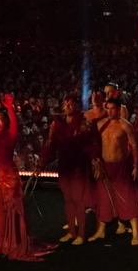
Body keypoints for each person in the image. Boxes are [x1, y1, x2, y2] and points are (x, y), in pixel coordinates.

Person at [0, 94, 53, 260]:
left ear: (6, 121)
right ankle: (0, 244)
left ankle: (17, 241)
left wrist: (9, 108)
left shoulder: (10, 135)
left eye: (0, 119)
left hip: (9, 177)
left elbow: (14, 124)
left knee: (14, 210)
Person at [38, 94, 99, 245]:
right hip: (64, 165)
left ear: (77, 106)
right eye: (65, 105)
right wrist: (42, 162)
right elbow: (50, 144)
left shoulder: (84, 123)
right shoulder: (57, 123)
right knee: (68, 200)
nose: (67, 107)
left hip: (78, 166)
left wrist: (95, 162)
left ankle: (81, 234)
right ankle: (71, 231)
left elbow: (91, 144)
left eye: (70, 105)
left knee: (78, 200)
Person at [89, 98, 138, 244]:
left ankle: (136, 235)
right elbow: (93, 145)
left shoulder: (125, 125)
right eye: (108, 108)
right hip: (104, 167)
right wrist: (96, 161)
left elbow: (135, 146)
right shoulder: (100, 124)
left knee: (127, 197)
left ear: (118, 109)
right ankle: (101, 231)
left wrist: (136, 166)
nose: (110, 111)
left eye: (112, 108)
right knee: (104, 198)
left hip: (122, 166)